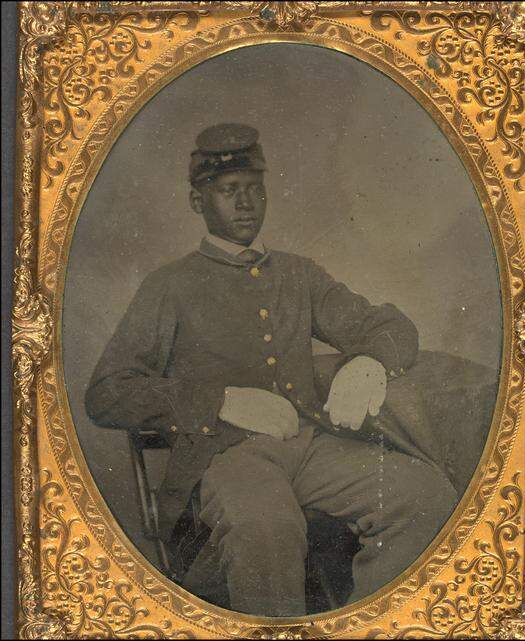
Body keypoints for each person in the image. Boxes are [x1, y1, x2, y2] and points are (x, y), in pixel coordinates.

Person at [85, 123, 457, 616]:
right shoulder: (170, 286)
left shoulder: (297, 273)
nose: (245, 203)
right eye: (228, 191)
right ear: (199, 202)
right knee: (266, 527)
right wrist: (223, 401)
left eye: (255, 190)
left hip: (310, 447)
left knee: (423, 495)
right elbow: (107, 394)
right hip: (225, 457)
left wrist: (369, 361)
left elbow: (387, 326)